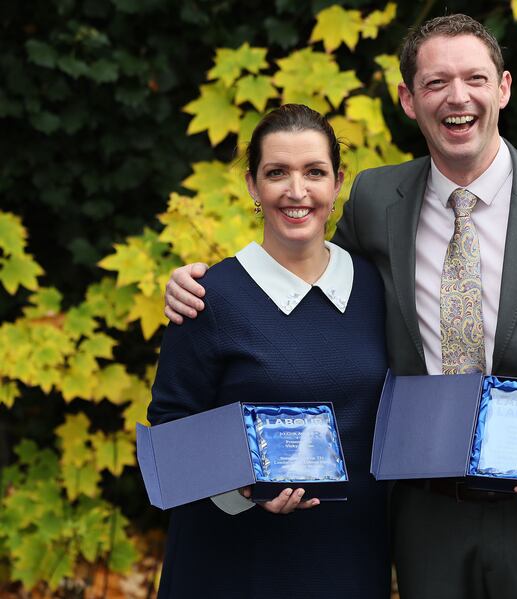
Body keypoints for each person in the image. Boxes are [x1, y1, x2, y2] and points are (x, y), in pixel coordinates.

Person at [164, 14, 517, 599]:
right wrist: (206, 282)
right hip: (426, 522)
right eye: (436, 83)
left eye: (474, 78)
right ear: (407, 99)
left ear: (503, 87)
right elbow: (298, 286)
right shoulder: (377, 200)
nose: (458, 98)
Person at [148, 104, 390, 598]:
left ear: (338, 182)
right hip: (235, 563)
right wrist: (241, 491)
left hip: (348, 558)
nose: (296, 192)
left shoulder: (375, 287)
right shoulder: (208, 297)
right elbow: (170, 425)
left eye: (314, 173)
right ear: (253, 186)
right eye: (277, 172)